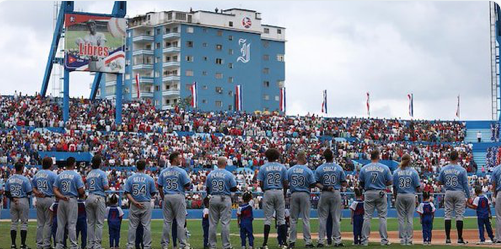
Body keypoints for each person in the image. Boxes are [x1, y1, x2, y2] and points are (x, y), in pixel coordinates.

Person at [158, 152, 191, 249]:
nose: (180, 160)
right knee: (180, 222)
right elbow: (187, 185)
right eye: (179, 158)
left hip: (167, 196)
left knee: (167, 222)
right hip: (178, 195)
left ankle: (164, 245)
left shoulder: (163, 171)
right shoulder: (181, 171)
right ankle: (182, 245)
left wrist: (163, 197)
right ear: (174, 159)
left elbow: (159, 186)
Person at [359, 149, 392, 246]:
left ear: (370, 156)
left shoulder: (364, 168)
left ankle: (364, 241)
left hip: (368, 192)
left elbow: (361, 183)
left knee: (367, 217)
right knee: (382, 217)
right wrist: (382, 183)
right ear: (378, 156)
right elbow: (390, 182)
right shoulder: (385, 167)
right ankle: (384, 240)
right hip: (381, 192)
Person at [256, 148, 288, 249]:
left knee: (267, 219)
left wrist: (265, 190)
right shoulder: (282, 167)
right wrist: (284, 193)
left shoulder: (263, 167)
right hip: (279, 190)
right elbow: (285, 183)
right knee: (281, 219)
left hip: (268, 191)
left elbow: (260, 183)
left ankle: (265, 244)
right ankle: (284, 243)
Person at [315, 149, 347, 247]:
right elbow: (344, 183)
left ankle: (321, 241)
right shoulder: (338, 168)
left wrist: (325, 187)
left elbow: (316, 182)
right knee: (336, 218)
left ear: (324, 157)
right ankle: (337, 241)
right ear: (332, 157)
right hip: (335, 192)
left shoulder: (319, 168)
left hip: (324, 192)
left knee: (322, 218)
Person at [437, 150, 471, 244]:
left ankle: (448, 238)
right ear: (457, 158)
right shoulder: (462, 170)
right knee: (459, 215)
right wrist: (469, 197)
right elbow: (465, 185)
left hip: (448, 192)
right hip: (459, 192)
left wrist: (446, 182)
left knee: (447, 215)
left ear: (449, 158)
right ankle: (459, 238)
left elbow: (439, 182)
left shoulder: (444, 169)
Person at [53, 157, 86, 249]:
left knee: (61, 224)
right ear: (74, 164)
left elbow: (55, 189)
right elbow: (80, 190)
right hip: (71, 199)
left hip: (61, 200)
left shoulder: (60, 175)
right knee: (71, 224)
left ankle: (59, 244)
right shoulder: (76, 175)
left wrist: (61, 196)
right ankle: (73, 245)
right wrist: (83, 192)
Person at [206, 157, 238, 249]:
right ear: (225, 163)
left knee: (212, 224)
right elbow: (234, 188)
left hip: (213, 197)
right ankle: (226, 246)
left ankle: (212, 245)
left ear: (217, 163)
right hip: (225, 198)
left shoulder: (210, 174)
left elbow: (207, 189)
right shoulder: (228, 174)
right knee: (225, 223)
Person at [286, 151, 316, 248]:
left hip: (294, 193)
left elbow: (286, 182)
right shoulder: (308, 170)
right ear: (303, 158)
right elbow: (312, 184)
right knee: (305, 219)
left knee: (293, 219)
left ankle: (292, 242)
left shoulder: (290, 170)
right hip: (304, 193)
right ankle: (307, 242)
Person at [125, 160, 157, 249]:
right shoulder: (149, 178)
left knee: (132, 226)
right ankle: (147, 246)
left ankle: (130, 245)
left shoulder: (131, 178)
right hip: (146, 203)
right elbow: (153, 193)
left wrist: (134, 202)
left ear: (136, 167)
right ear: (144, 167)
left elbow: (127, 192)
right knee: (146, 226)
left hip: (134, 203)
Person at [392, 154, 420, 245]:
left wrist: (395, 198)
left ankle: (402, 239)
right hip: (410, 194)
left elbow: (394, 188)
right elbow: (418, 187)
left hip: (400, 195)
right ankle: (409, 239)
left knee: (400, 218)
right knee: (409, 218)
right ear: (409, 161)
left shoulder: (396, 172)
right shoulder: (414, 172)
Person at [6, 162, 33, 249]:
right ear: (22, 168)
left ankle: (13, 244)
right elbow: (29, 192)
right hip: (22, 199)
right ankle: (22, 245)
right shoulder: (25, 179)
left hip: (13, 201)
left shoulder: (10, 179)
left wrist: (12, 198)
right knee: (24, 223)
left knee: (13, 223)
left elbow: (6, 192)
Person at [32, 157, 57, 249]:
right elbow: (56, 188)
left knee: (40, 223)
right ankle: (46, 244)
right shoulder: (53, 174)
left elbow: (33, 187)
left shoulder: (37, 174)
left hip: (39, 198)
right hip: (49, 198)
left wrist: (37, 192)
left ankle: (39, 244)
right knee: (48, 223)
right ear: (51, 164)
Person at [85, 155, 109, 249]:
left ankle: (90, 244)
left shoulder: (89, 173)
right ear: (99, 163)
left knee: (90, 223)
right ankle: (97, 245)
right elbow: (105, 187)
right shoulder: (102, 173)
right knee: (99, 223)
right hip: (99, 197)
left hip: (89, 196)